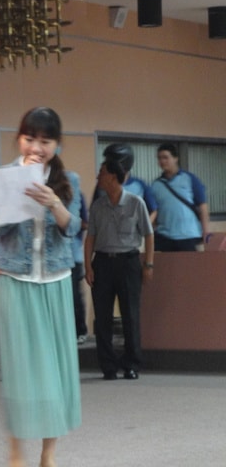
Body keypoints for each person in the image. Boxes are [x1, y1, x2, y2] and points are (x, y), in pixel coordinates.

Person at [0, 107, 81, 467]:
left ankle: (48, 454)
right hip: (13, 278)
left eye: (45, 141)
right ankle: (15, 450)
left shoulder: (68, 179)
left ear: (57, 144)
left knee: (56, 369)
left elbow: (73, 229)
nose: (37, 148)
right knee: (19, 369)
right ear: (19, 139)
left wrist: (54, 203)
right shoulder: (5, 176)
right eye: (30, 139)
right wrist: (20, 193)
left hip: (55, 279)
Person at [84, 144, 154, 381]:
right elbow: (90, 238)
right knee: (102, 317)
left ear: (113, 176)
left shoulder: (136, 202)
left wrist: (149, 265)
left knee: (130, 316)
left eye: (102, 172)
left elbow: (149, 235)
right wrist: (88, 266)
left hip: (128, 262)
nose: (98, 177)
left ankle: (132, 364)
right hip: (102, 263)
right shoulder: (97, 206)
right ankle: (108, 366)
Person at [151, 143, 210, 252]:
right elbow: (153, 210)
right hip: (164, 237)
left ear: (175, 158)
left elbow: (202, 205)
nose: (162, 161)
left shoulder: (189, 179)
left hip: (188, 236)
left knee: (189, 263)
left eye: (165, 157)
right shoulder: (156, 185)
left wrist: (206, 230)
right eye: (159, 158)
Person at [92, 144, 158, 224]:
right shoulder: (102, 185)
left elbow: (153, 211)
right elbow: (94, 211)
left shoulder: (139, 185)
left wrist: (142, 228)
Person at [72, 191, 89, 344]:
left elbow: (85, 223)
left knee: (75, 296)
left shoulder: (77, 195)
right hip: (54, 257)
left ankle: (80, 330)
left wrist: (69, 222)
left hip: (74, 254)